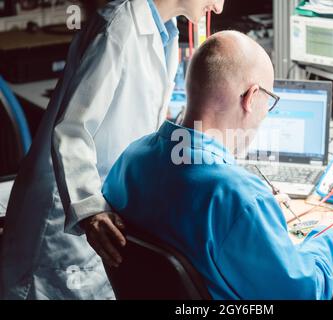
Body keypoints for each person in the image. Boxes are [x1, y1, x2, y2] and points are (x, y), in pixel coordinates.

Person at [102, 31, 333, 299]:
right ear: (251, 97)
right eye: (270, 102)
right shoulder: (238, 196)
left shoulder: (131, 159)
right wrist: (329, 237)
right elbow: (302, 294)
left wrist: (260, 219)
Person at [1, 0, 224, 300]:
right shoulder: (117, 25)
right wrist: (89, 209)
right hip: (66, 214)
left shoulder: (165, 33)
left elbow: (141, 119)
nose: (220, 7)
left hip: (107, 205)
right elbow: (71, 130)